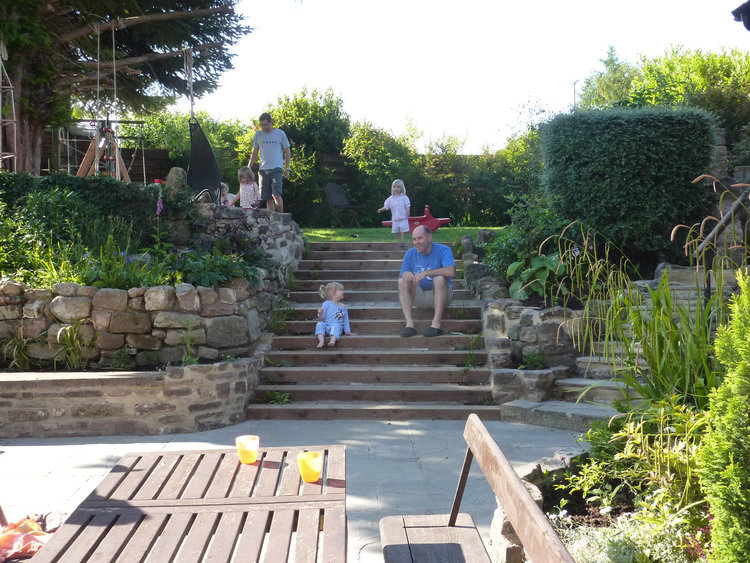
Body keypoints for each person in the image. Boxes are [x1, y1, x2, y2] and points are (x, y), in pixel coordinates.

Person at [398, 225, 455, 337]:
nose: (416, 242)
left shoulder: (443, 250)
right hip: (419, 296)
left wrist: (427, 273)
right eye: (414, 239)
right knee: (401, 281)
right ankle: (409, 325)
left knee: (439, 279)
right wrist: (407, 274)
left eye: (419, 238)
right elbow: (403, 273)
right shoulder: (410, 253)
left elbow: (451, 271)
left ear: (429, 237)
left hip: (443, 294)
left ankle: (436, 325)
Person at [248, 112, 291, 213]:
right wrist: (248, 167)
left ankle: (281, 218)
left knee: (276, 194)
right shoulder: (258, 134)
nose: (263, 127)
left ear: (271, 122)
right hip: (263, 170)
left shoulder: (280, 133)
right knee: (268, 198)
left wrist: (287, 168)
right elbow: (254, 152)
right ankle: (272, 221)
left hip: (276, 169)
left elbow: (287, 151)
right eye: (262, 125)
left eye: (265, 124)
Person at [315, 282, 353, 348]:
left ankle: (332, 340)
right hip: (326, 325)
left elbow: (345, 320)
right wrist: (320, 313)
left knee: (336, 325)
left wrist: (347, 331)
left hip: (336, 327)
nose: (343, 292)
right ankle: (321, 341)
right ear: (333, 294)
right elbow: (321, 318)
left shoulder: (343, 307)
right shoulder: (326, 304)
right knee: (319, 324)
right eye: (340, 290)